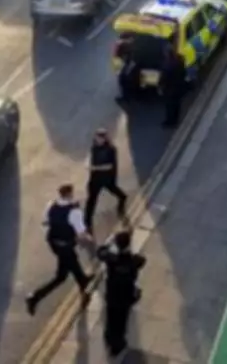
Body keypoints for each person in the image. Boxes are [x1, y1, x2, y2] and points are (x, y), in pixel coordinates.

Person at [26, 184, 92, 316]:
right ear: (69, 194)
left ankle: (84, 281)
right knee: (61, 277)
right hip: (66, 245)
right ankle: (35, 297)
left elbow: (45, 223)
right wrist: (89, 239)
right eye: (72, 193)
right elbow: (81, 233)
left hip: (54, 243)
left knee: (73, 264)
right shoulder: (74, 211)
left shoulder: (51, 205)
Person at [97, 230, 146, 358]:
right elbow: (142, 260)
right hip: (126, 296)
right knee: (121, 320)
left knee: (111, 316)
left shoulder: (111, 259)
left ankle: (109, 337)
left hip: (112, 293)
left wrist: (108, 244)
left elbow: (100, 252)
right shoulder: (134, 261)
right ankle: (117, 345)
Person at [84, 129, 127, 232]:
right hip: (95, 180)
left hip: (107, 179)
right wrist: (87, 163)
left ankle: (120, 209)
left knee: (122, 196)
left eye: (101, 138)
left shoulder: (110, 149)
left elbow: (109, 166)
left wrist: (94, 168)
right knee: (91, 202)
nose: (98, 140)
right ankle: (87, 223)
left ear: (105, 138)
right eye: (97, 137)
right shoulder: (94, 147)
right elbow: (90, 157)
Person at [160, 38, 186, 128]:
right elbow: (183, 72)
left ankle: (169, 122)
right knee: (177, 105)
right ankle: (175, 120)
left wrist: (160, 87)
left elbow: (163, 78)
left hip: (169, 89)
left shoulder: (167, 65)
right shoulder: (180, 59)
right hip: (179, 87)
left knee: (169, 106)